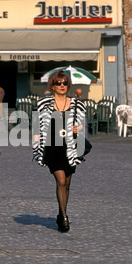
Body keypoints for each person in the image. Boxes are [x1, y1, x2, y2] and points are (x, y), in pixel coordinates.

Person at [32, 71, 87, 233]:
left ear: (68, 85)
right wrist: (37, 147)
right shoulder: (43, 104)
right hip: (52, 146)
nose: (62, 86)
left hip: (71, 148)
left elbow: (83, 124)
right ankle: (64, 217)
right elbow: (37, 125)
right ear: (53, 86)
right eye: (58, 83)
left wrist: (79, 128)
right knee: (61, 181)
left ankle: (60, 211)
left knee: (68, 184)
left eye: (64, 83)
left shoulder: (77, 104)